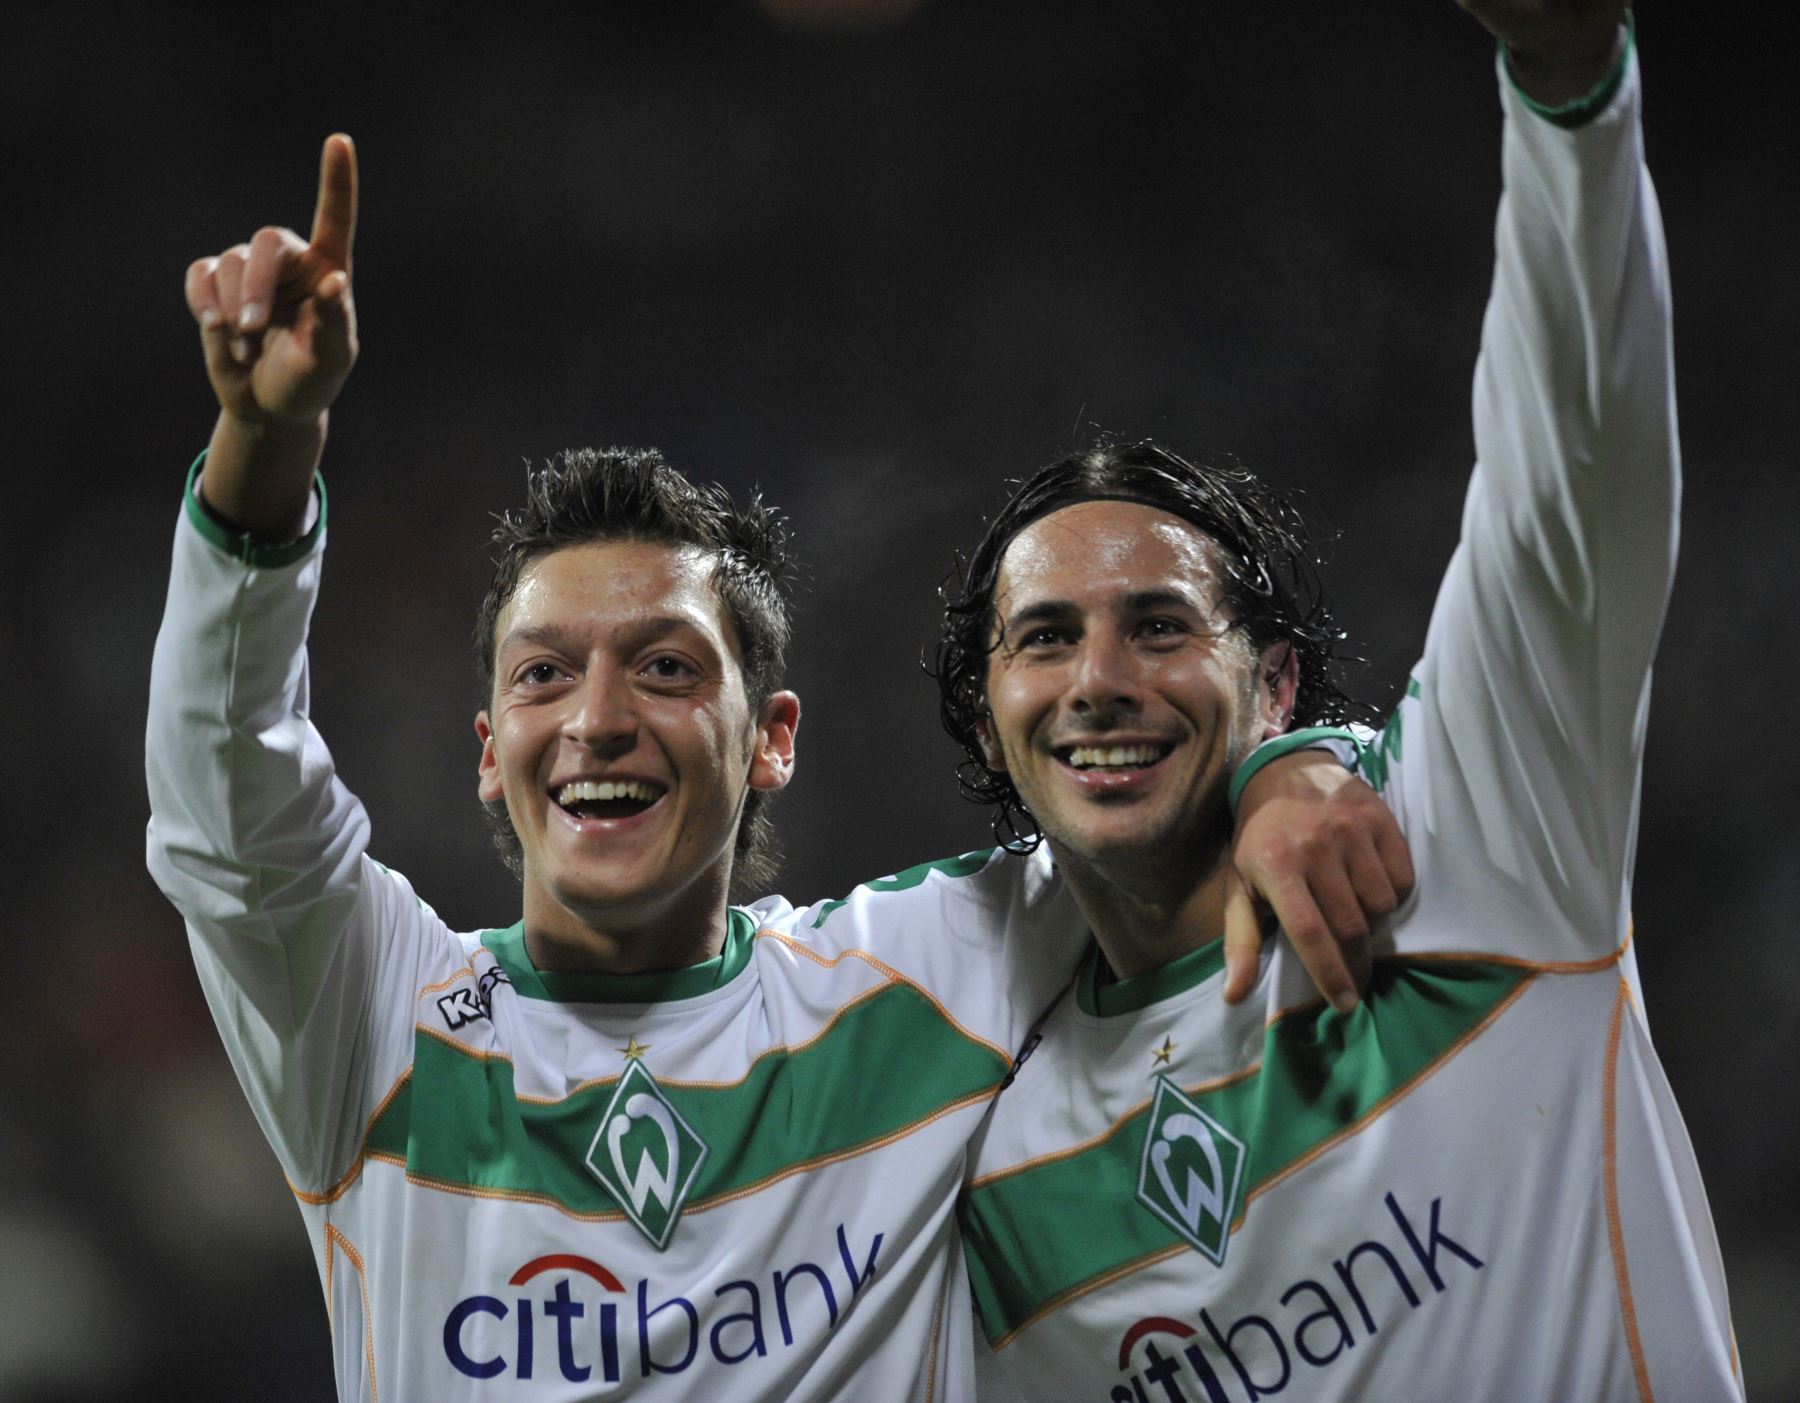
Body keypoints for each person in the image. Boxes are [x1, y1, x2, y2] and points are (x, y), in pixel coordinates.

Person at [145, 135, 1409, 1399]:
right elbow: (227, 802)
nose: (596, 718)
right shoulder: (379, 1024)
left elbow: (1146, 800)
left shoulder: (928, 973)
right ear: (490, 752)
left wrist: (1295, 766)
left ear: (773, 739)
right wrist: (267, 449)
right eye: (542, 674)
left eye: (666, 667)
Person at [944, 5, 1744, 1401]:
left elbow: (1571, 487)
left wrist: (1569, 101)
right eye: (1045, 637)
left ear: (1278, 677)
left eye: (1159, 624)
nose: (1100, 681)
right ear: (990, 709)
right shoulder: (974, 1147)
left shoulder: (1471, 846)